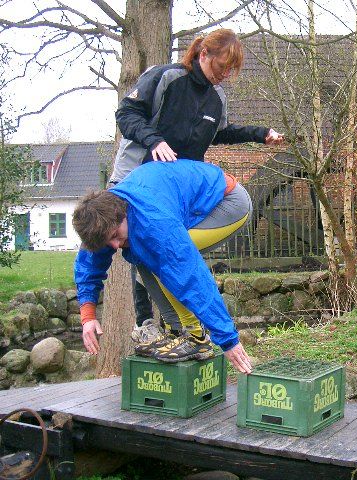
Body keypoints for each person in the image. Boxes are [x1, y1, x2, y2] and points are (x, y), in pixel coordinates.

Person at [108, 28, 283, 342]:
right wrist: (154, 139)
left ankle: (182, 329)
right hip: (134, 176)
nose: (224, 75)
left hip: (173, 188)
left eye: (230, 71)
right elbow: (126, 114)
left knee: (166, 247)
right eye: (220, 68)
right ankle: (146, 322)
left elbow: (221, 133)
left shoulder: (217, 98)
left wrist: (259, 133)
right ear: (204, 54)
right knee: (140, 244)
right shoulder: (166, 78)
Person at [73, 160, 253, 373]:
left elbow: (191, 277)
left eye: (114, 236)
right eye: (107, 243)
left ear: (122, 214)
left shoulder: (154, 223)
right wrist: (88, 316)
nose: (114, 246)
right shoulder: (102, 221)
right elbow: (88, 265)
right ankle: (176, 332)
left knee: (162, 261)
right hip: (173, 201)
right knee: (140, 255)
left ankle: (196, 337)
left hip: (226, 203)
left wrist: (227, 339)